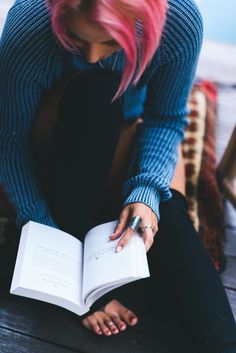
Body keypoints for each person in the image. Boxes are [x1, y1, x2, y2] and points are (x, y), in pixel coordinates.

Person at [0, 0, 236, 351]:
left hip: (127, 127)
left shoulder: (180, 22)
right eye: (76, 40)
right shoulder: (29, 24)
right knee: (98, 92)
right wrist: (43, 230)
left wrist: (146, 194)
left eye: (111, 43)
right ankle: (82, 282)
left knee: (166, 218)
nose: (93, 55)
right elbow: (10, 145)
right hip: (54, 133)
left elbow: (166, 119)